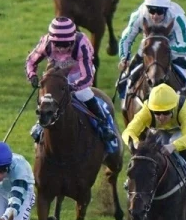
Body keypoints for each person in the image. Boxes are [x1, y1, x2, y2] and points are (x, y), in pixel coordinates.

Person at [26, 17, 118, 153]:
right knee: (47, 95)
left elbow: (87, 76)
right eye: (58, 44)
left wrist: (73, 87)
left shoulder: (82, 44)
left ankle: (104, 125)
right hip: (56, 74)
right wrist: (32, 75)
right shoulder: (46, 43)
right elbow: (31, 61)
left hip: (79, 73)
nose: (62, 49)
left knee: (83, 94)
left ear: (73, 40)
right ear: (52, 41)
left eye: (66, 44)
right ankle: (41, 124)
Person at [122, 83, 186, 197]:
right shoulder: (147, 108)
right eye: (157, 113)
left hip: (181, 129)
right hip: (158, 130)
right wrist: (135, 143)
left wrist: (173, 146)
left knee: (178, 146)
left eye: (166, 112)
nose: (161, 117)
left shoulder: (184, 106)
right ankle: (133, 179)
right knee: (145, 150)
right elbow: (128, 131)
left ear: (173, 108)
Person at [116, 0, 186, 102]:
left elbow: (184, 47)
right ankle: (125, 90)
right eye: (151, 10)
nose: (155, 15)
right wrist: (124, 58)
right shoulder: (139, 15)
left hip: (171, 45)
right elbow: (126, 39)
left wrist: (163, 50)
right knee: (126, 74)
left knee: (185, 63)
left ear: (167, 10)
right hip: (148, 44)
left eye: (160, 11)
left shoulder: (178, 18)